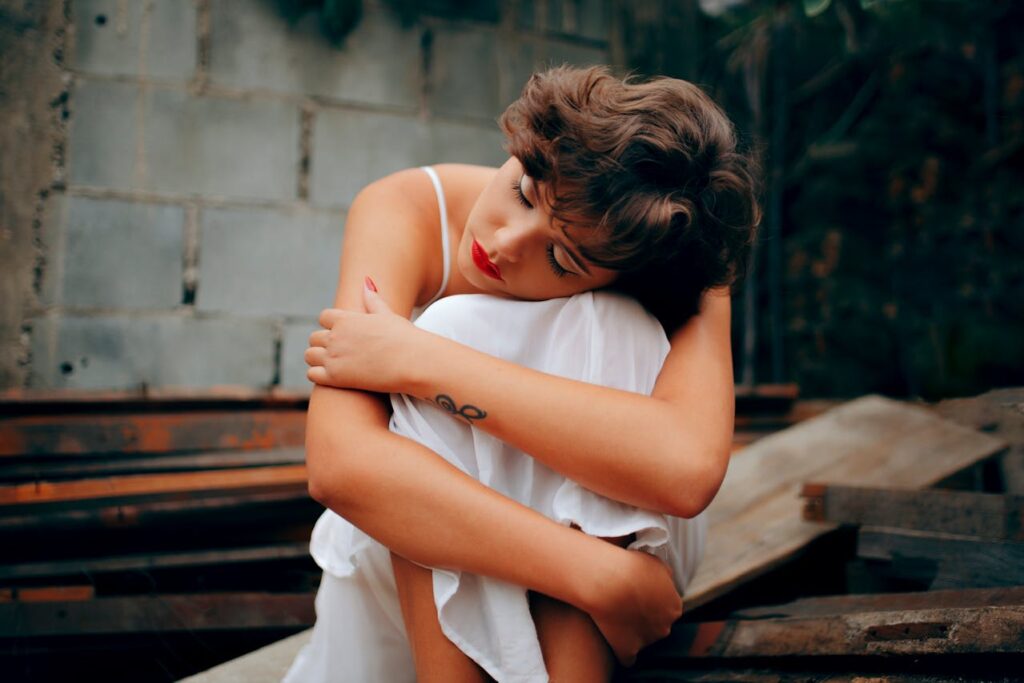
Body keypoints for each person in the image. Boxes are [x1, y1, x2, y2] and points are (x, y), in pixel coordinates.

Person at [293, 65, 760, 681]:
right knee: (454, 324)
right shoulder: (403, 207)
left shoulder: (665, 242)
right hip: (416, 566)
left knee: (602, 323)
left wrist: (417, 360)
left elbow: (685, 471)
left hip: (637, 540)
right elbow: (339, 466)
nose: (506, 242)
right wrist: (597, 575)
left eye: (562, 259)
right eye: (523, 190)